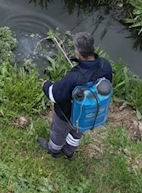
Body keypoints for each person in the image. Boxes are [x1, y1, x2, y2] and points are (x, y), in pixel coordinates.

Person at [38, 32, 112, 160]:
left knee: (58, 133)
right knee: (77, 133)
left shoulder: (74, 77)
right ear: (93, 48)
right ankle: (69, 151)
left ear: (78, 53)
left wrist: (46, 84)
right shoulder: (105, 65)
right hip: (86, 113)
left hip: (67, 115)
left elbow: (54, 95)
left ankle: (53, 150)